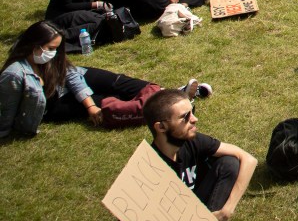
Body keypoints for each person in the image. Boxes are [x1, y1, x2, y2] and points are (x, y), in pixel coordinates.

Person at [0, 21, 205, 139]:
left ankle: (175, 94)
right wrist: (90, 106)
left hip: (73, 80)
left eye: (57, 49)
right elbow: (7, 110)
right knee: (110, 102)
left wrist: (86, 101)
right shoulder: (14, 74)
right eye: (51, 49)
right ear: (34, 45)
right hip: (56, 102)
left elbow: (70, 74)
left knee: (119, 82)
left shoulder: (52, 59)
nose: (53, 54)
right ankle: (167, 109)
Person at [117, 88, 255, 221]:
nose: (195, 119)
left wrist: (226, 210)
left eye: (192, 111)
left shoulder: (191, 142)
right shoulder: (146, 177)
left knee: (229, 163)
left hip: (190, 215)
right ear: (161, 127)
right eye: (185, 117)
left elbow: (248, 159)